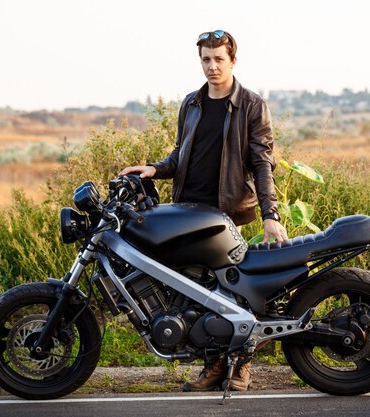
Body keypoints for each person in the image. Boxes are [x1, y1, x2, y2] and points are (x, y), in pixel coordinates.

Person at [120, 29, 287, 392]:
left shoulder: (252, 106)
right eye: (206, 60)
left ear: (233, 61)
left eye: (218, 60)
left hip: (225, 214)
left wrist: (270, 215)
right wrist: (155, 169)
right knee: (196, 293)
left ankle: (240, 368)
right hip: (188, 211)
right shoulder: (191, 103)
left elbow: (262, 164)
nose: (212, 67)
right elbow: (181, 154)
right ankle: (213, 369)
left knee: (234, 295)